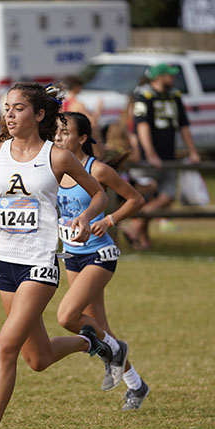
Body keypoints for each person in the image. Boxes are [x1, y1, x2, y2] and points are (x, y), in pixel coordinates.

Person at [0, 82, 118, 429]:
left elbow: (99, 195)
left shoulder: (56, 157)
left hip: (40, 264)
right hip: (3, 261)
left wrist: (83, 216)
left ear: (39, 115)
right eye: (7, 107)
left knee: (4, 348)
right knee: (37, 359)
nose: (9, 114)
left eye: (18, 108)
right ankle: (88, 340)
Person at [55, 111, 149, 411]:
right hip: (71, 255)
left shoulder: (98, 170)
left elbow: (135, 199)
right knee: (100, 328)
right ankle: (136, 385)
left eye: (64, 132)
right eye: (55, 132)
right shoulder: (54, 168)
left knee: (68, 316)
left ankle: (116, 353)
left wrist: (108, 220)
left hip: (99, 254)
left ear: (82, 138)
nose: (58, 137)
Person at [124, 62, 201, 250]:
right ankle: (142, 239)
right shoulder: (144, 95)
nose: (173, 77)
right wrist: (150, 153)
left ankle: (135, 228)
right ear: (159, 76)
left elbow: (183, 125)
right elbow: (142, 126)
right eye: (170, 74)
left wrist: (193, 150)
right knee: (149, 197)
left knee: (167, 196)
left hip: (169, 155)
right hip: (150, 157)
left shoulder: (174, 95)